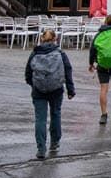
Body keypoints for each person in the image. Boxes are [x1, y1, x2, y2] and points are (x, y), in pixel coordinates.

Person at [25, 29, 75, 159]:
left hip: (39, 90)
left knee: (40, 119)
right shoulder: (60, 53)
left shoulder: (35, 52)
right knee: (55, 114)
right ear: (55, 39)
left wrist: (33, 84)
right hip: (56, 89)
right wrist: (70, 89)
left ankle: (41, 148)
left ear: (42, 38)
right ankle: (55, 143)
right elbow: (68, 70)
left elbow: (28, 72)